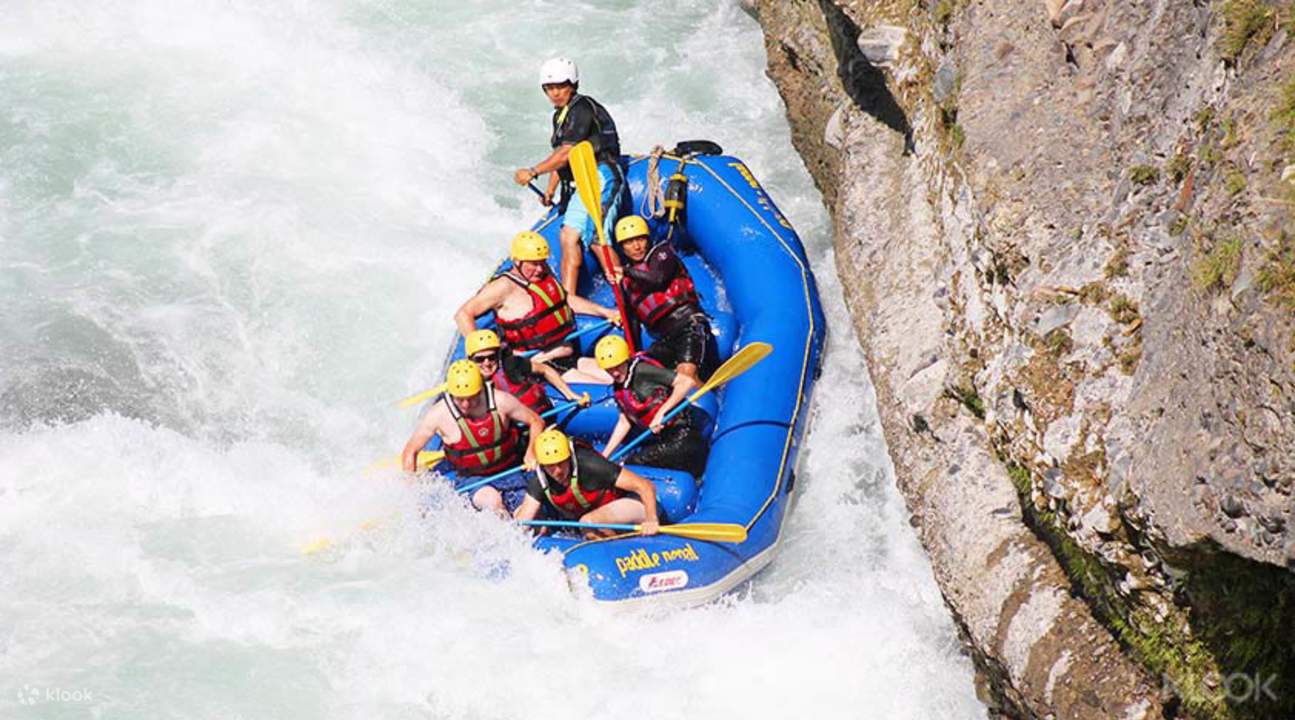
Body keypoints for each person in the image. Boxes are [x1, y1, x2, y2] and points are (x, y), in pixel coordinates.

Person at [513, 57, 623, 295]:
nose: (554, 93)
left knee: (597, 237)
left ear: (573, 85)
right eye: (549, 88)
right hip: (582, 180)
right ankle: (569, 296)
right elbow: (562, 158)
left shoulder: (582, 108)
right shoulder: (560, 115)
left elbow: (568, 153)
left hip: (602, 174)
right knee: (568, 235)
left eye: (560, 87)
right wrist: (551, 189)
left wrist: (533, 172)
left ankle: (622, 288)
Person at [454, 231, 615, 380]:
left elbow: (565, 301)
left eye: (542, 262)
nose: (539, 269)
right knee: (611, 392)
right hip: (541, 367)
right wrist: (481, 351)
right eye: (534, 264)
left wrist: (606, 312)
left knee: (620, 377)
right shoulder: (503, 287)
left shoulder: (543, 272)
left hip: (569, 357)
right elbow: (463, 314)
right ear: (517, 261)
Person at [400, 360, 544, 514]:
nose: (466, 404)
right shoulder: (438, 415)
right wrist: (412, 494)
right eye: (460, 399)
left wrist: (531, 451)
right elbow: (410, 452)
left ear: (481, 388)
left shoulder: (501, 401)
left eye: (472, 397)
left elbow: (536, 421)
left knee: (533, 520)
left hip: (509, 472)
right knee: (492, 501)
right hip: (471, 478)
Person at [613, 215, 716, 382]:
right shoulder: (625, 283)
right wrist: (633, 355)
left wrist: (625, 271)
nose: (637, 246)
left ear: (648, 239)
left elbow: (657, 279)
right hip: (665, 338)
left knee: (685, 376)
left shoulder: (662, 253)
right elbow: (632, 322)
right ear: (622, 248)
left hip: (688, 324)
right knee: (645, 375)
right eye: (629, 242)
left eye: (640, 239)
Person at [594, 335, 709, 478]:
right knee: (629, 460)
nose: (615, 373)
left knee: (631, 465)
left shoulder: (642, 370)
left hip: (684, 436)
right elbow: (624, 422)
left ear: (625, 359)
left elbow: (686, 382)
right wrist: (604, 456)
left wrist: (662, 413)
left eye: (617, 367)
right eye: (609, 370)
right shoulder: (619, 386)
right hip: (665, 439)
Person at [513, 428, 660, 539]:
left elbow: (645, 486)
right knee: (521, 514)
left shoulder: (590, 464)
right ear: (542, 465)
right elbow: (523, 520)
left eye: (561, 463)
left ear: (569, 458)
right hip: (598, 514)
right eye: (550, 466)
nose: (557, 471)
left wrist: (651, 519)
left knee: (588, 522)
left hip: (634, 503)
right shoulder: (540, 479)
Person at [463, 329, 590, 415]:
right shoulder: (466, 384)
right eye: (479, 359)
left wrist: (569, 393)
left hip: (541, 415)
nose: (487, 363)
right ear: (470, 360)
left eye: (491, 357)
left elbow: (544, 369)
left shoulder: (512, 365)